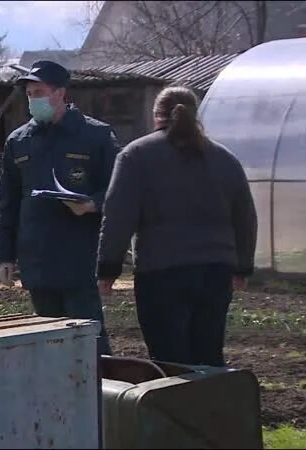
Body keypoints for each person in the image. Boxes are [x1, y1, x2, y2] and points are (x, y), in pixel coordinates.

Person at [96, 85, 258, 367]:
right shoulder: (224, 158)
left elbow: (119, 216)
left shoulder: (136, 156)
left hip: (162, 274)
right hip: (215, 272)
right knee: (208, 353)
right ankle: (213, 408)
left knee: (169, 359)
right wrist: (242, 266)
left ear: (155, 115)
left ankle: (175, 410)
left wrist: (108, 268)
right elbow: (245, 216)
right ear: (197, 115)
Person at [0, 60, 122, 355]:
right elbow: (8, 202)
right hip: (37, 259)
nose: (33, 99)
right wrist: (4, 255)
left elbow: (119, 189)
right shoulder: (20, 140)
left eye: (39, 92)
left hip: (79, 258)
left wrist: (91, 205)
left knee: (89, 343)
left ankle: (99, 395)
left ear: (60, 93)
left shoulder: (95, 136)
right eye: (29, 94)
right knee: (49, 345)